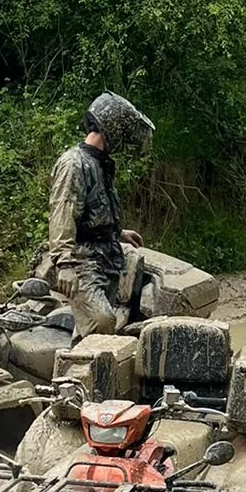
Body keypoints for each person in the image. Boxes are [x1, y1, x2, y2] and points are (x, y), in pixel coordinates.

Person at [41, 92, 155, 335]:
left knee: (94, 331)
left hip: (106, 259)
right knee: (102, 322)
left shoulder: (100, 164)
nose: (126, 141)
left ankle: (83, 366)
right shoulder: (74, 163)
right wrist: (65, 264)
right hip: (83, 262)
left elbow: (93, 210)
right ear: (111, 128)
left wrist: (118, 232)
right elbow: (63, 213)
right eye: (124, 134)